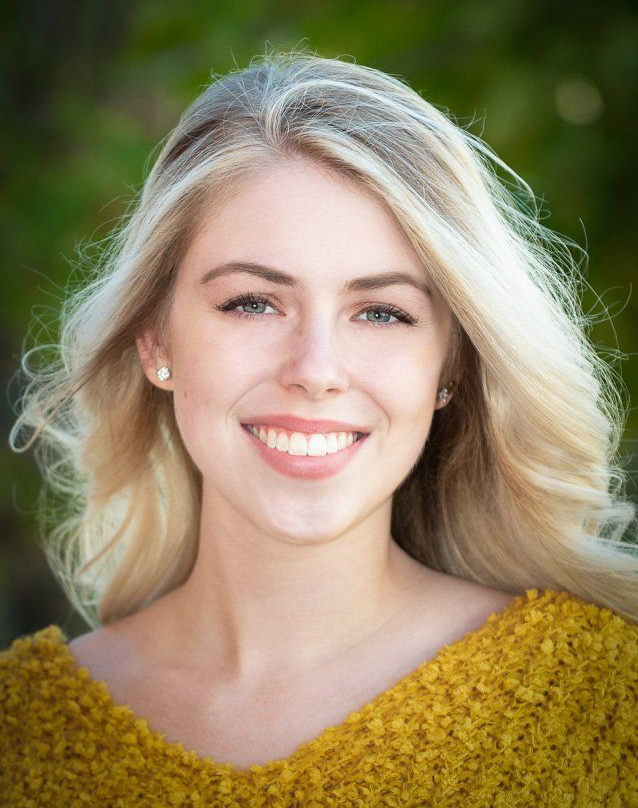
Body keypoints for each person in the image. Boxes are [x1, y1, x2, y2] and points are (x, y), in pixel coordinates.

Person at [1, 51, 636, 806]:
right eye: (252, 302)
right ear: (156, 338)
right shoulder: (21, 729)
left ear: (451, 365)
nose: (316, 368)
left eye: (381, 312)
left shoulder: (602, 695)